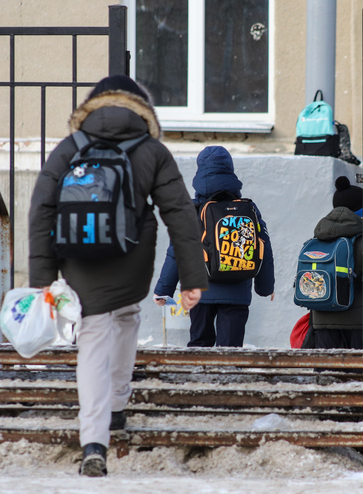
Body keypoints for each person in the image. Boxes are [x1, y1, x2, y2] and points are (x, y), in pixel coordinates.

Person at [28, 75, 208, 477]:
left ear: (93, 105)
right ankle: (117, 409)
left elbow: (41, 207)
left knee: (92, 337)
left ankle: (94, 441)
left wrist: (42, 275)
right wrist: (192, 277)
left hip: (78, 256)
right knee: (126, 318)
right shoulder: (151, 150)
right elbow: (179, 212)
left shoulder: (70, 147)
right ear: (140, 106)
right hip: (131, 258)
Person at [153, 146, 275, 347]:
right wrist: (265, 286)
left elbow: (176, 251)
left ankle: (201, 377)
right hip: (237, 291)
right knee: (230, 350)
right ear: (230, 169)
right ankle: (228, 377)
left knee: (200, 345)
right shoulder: (247, 208)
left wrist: (164, 289)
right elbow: (263, 247)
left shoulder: (192, 209)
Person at [308, 176, 363, 349]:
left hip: (321, 317)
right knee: (357, 373)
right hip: (357, 322)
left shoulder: (319, 238)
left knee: (326, 372)